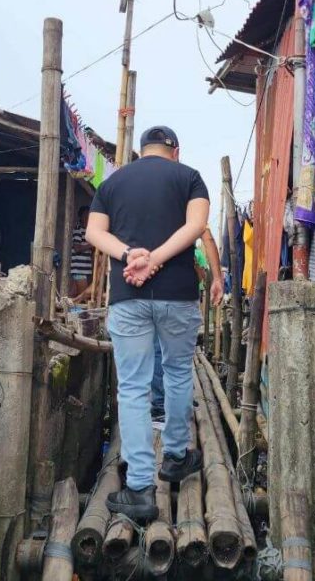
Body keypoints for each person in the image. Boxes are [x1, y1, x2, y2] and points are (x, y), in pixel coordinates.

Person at [86, 125, 209, 522]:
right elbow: (196, 227)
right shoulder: (189, 177)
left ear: (141, 151)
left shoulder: (114, 181)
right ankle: (175, 457)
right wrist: (157, 259)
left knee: (134, 388)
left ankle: (139, 488)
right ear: (175, 150)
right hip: (178, 295)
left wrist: (130, 255)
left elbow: (93, 232)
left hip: (128, 296)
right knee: (176, 374)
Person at [151, 227, 223, 427]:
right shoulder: (191, 215)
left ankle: (162, 407)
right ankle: (168, 405)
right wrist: (217, 278)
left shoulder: (155, 216)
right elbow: (207, 236)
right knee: (176, 354)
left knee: (161, 351)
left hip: (159, 292)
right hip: (179, 294)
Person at [70, 206, 93, 298]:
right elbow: (77, 248)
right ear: (81, 217)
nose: (87, 218)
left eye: (89, 216)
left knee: (74, 294)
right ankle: (79, 312)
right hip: (79, 269)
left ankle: (68, 310)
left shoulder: (88, 231)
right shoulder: (78, 229)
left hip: (86, 269)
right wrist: (91, 245)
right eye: (85, 216)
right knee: (83, 296)